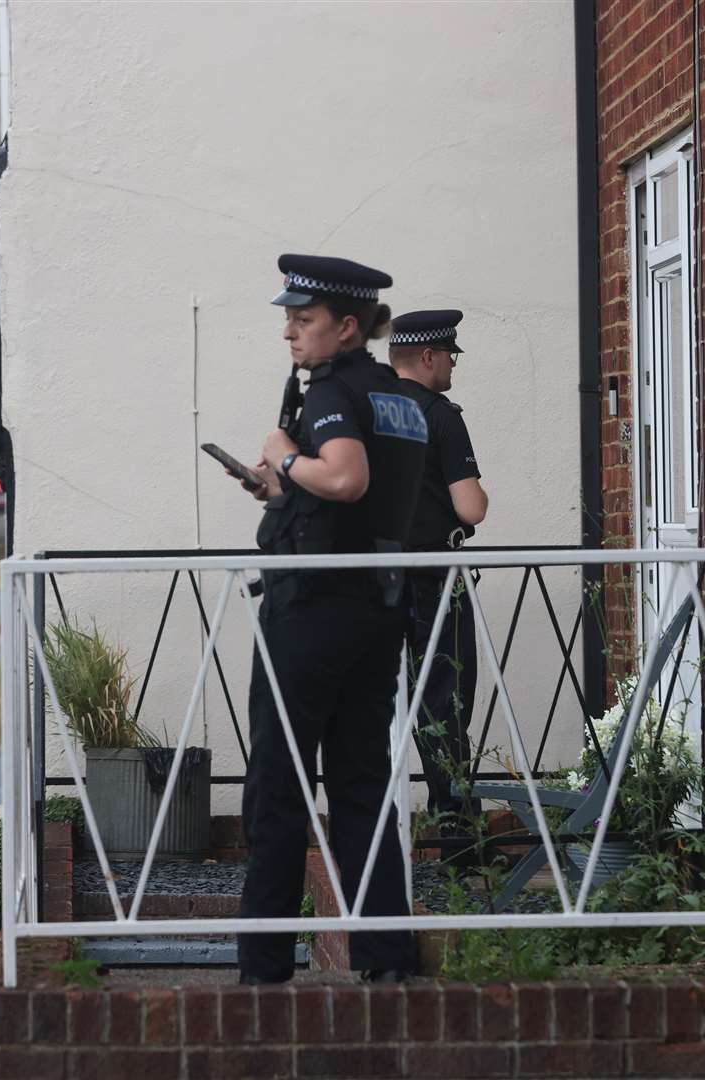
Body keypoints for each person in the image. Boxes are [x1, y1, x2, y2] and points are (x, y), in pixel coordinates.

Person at [228, 253, 427, 985]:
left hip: (311, 609)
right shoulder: (396, 395)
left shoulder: (333, 392)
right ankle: (384, 955)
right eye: (287, 319)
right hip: (376, 607)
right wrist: (281, 487)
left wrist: (283, 451)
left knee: (277, 782)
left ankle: (263, 963)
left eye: (303, 319)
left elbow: (345, 478)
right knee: (360, 784)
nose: (289, 332)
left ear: (346, 326)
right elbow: (372, 498)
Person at [387, 310, 489, 847]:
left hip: (371, 579)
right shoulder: (441, 416)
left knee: (373, 705)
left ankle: (375, 840)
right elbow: (470, 509)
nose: (452, 362)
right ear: (427, 357)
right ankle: (458, 839)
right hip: (433, 576)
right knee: (444, 703)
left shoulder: (365, 410)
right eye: (449, 353)